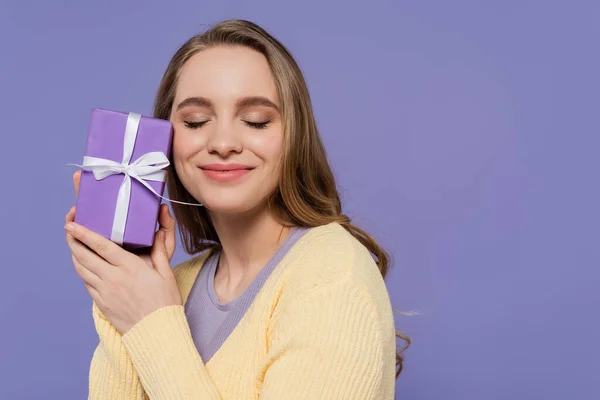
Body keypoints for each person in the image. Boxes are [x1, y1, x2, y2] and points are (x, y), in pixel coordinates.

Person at [65, 19, 408, 399]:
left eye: (255, 121)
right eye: (196, 121)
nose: (223, 142)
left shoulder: (331, 280)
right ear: (166, 141)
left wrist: (150, 322)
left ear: (294, 134)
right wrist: (120, 286)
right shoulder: (165, 286)